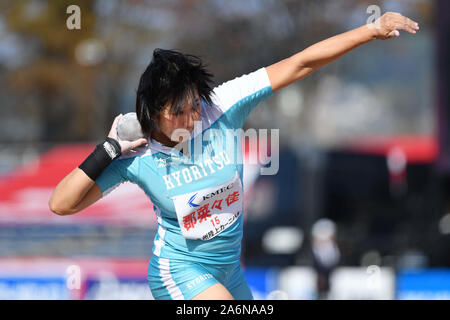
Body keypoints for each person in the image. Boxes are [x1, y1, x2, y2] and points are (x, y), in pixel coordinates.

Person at [49, 12, 419, 300]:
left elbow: (299, 63)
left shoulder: (222, 105)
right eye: (181, 111)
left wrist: (370, 30)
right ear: (157, 111)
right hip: (179, 271)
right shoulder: (137, 155)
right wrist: (109, 149)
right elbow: (62, 204)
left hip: (229, 270)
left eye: (196, 106)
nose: (193, 118)